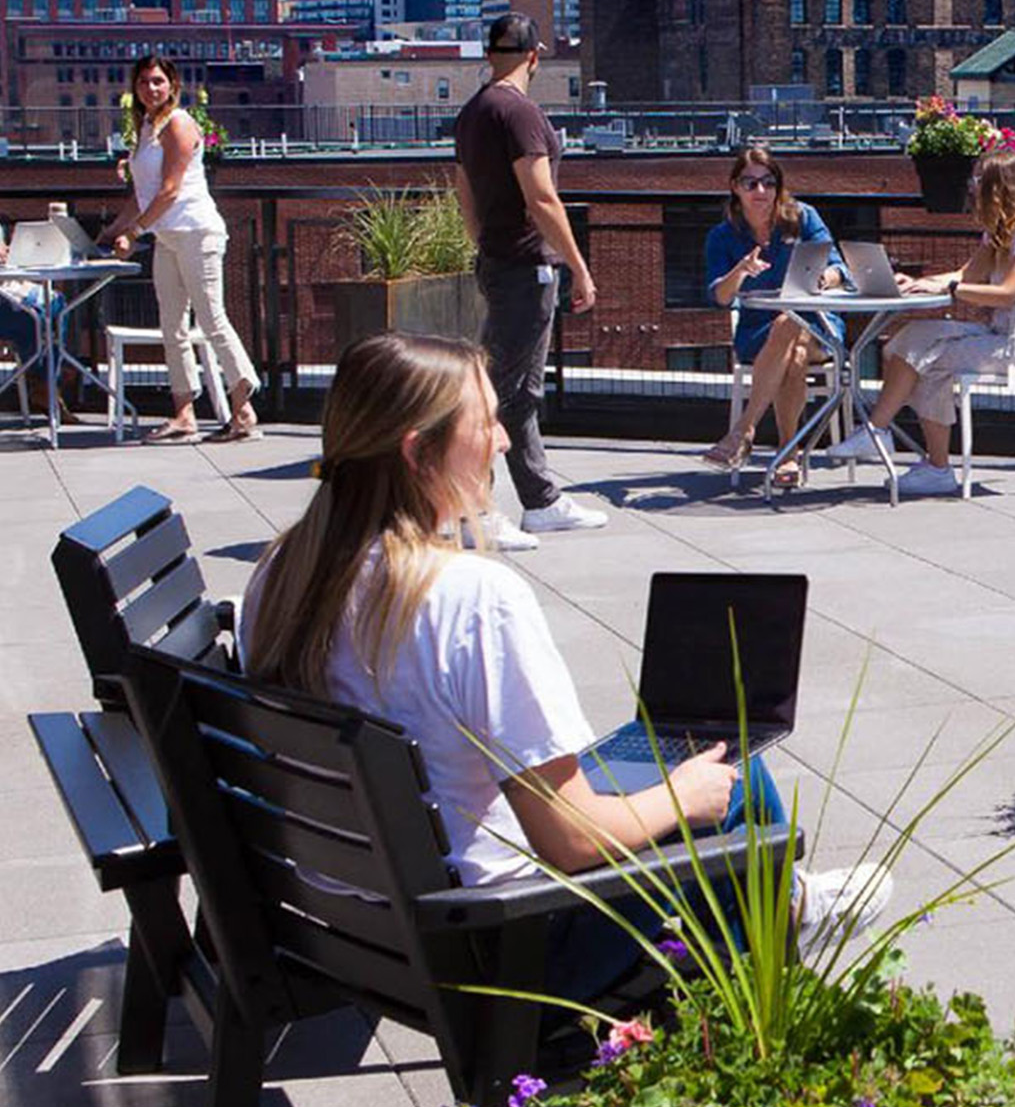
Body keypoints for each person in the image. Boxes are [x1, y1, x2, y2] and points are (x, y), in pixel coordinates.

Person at [237, 332, 891, 1001]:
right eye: (485, 422)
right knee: (733, 777)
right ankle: (783, 936)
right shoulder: (470, 601)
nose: (501, 441)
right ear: (416, 452)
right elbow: (573, 843)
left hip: (349, 922)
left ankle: (787, 912)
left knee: (692, 773)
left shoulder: (283, 576)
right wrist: (681, 796)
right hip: (498, 946)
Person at [825, 144, 1015, 497]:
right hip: (1001, 335)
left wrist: (954, 290)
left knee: (925, 358)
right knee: (911, 337)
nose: (972, 188)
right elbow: (966, 274)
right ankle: (906, 449)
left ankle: (891, 438)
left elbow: (1010, 292)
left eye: (978, 181)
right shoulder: (1001, 230)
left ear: (998, 188)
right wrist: (924, 283)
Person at [451, 12, 607, 550]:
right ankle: (477, 513)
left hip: (499, 260)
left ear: (490, 53)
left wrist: (483, 244)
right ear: (536, 56)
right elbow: (542, 197)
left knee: (517, 393)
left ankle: (539, 501)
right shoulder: (519, 113)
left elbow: (464, 191)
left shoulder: (474, 112)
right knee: (496, 395)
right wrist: (579, 267)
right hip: (525, 267)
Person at [100, 54, 261, 443]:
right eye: (143, 82)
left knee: (211, 319)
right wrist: (107, 233)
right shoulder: (146, 128)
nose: (151, 88)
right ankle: (184, 415)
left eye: (158, 81)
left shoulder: (179, 123)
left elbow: (170, 190)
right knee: (172, 326)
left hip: (196, 232)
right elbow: (143, 196)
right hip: (167, 237)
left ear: (172, 84)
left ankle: (243, 410)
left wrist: (134, 233)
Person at [697, 146, 845, 487]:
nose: (760, 191)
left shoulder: (803, 217)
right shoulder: (722, 236)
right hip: (757, 332)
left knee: (790, 320)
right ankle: (788, 455)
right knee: (791, 349)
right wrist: (741, 270)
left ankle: (743, 431)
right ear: (735, 187)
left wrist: (822, 278)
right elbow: (720, 296)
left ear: (778, 186)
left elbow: (839, 267)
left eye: (768, 182)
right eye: (750, 183)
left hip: (819, 326)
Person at [0, 232, 71, 419]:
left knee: (54, 306)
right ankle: (46, 385)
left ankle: (44, 383)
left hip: (9, 290)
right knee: (40, 315)